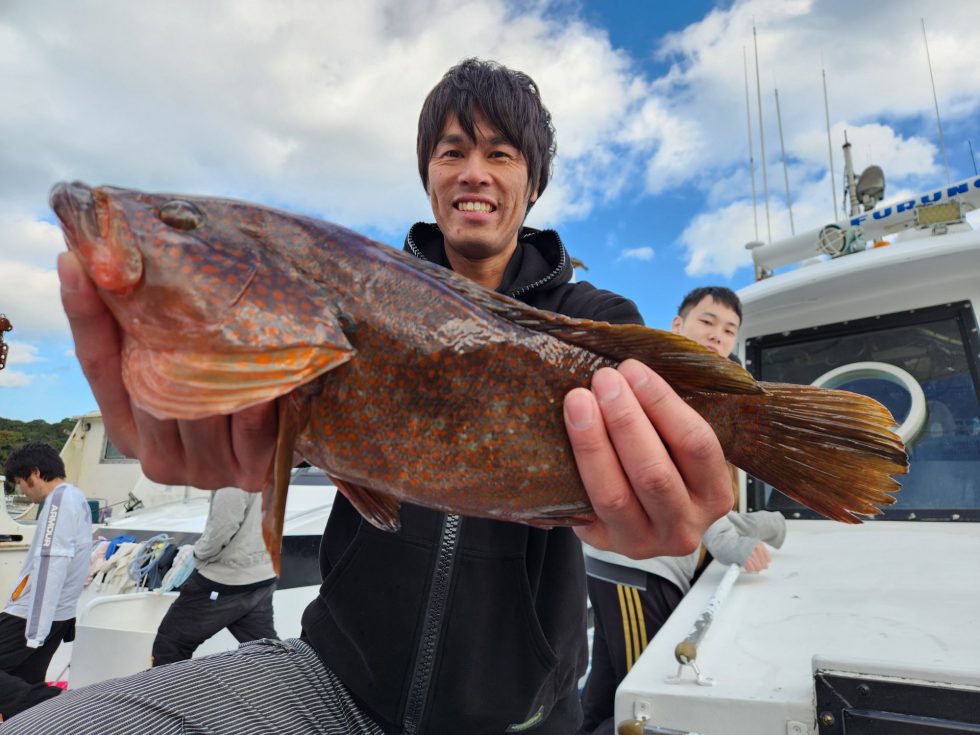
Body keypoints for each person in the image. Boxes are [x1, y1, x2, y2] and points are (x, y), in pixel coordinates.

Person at [4, 59, 733, 734]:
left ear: (533, 183)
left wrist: (660, 516)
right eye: (452, 152)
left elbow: (650, 475)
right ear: (427, 174)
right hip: (335, 679)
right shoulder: (348, 287)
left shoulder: (597, 323)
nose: (473, 172)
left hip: (523, 716)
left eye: (499, 154)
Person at [578, 286, 788, 735]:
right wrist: (733, 542)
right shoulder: (661, 379)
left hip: (633, 566)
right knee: (643, 703)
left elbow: (713, 493)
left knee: (607, 686)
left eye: (729, 330)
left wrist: (765, 523)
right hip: (636, 567)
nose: (717, 336)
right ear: (678, 325)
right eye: (707, 322)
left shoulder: (717, 388)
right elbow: (668, 478)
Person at [0, 442, 92, 721]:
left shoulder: (59, 502)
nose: (22, 492)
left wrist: (35, 632)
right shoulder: (76, 498)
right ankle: (38, 721)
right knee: (24, 679)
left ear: (35, 473)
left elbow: (51, 564)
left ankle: (59, 706)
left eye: (21, 483)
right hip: (57, 615)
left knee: (30, 693)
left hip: (32, 616)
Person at [151, 487, 278, 666]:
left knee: (171, 644)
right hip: (262, 577)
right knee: (268, 653)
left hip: (225, 579)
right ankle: (296, 689)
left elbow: (223, 527)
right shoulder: (267, 465)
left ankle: (165, 693)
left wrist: (197, 554)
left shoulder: (232, 474)